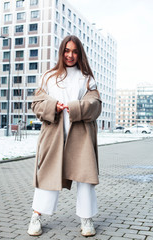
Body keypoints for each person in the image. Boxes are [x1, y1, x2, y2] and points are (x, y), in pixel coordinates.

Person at [27, 35, 102, 237]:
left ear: (80, 53)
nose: (70, 55)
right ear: (61, 52)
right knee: (47, 175)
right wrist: (54, 106)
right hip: (54, 135)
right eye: (67, 51)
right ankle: (36, 217)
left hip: (81, 136)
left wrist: (75, 106)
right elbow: (36, 104)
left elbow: (95, 106)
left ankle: (86, 219)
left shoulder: (87, 79)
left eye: (74, 51)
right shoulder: (49, 77)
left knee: (85, 177)